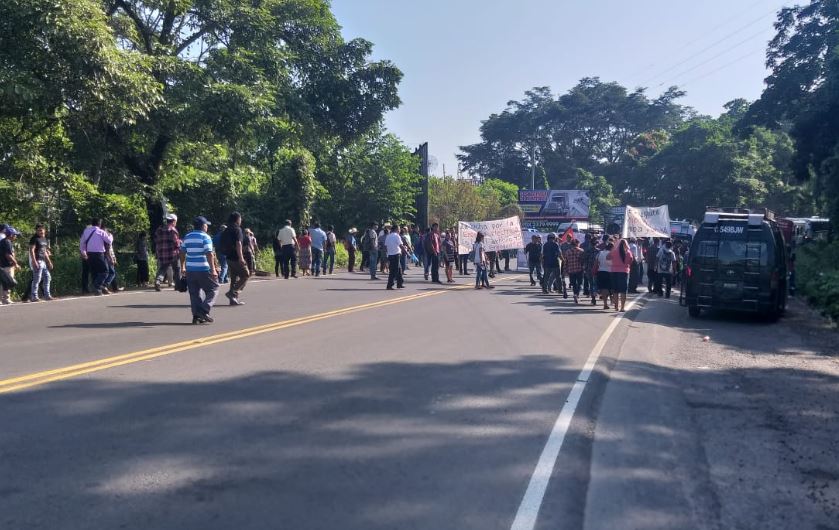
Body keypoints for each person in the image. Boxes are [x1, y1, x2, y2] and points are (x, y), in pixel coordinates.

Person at [180, 216, 220, 324]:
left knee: (194, 293)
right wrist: (213, 270)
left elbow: (182, 252)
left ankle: (196, 316)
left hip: (190, 269)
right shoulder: (205, 237)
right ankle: (203, 310)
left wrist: (182, 266)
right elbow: (209, 253)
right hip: (203, 268)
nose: (207, 227)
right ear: (203, 226)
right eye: (206, 225)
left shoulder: (187, 237)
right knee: (214, 289)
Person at [220, 212, 248, 306]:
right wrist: (241, 258)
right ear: (237, 219)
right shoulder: (237, 229)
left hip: (228, 257)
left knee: (234, 278)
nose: (241, 221)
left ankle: (233, 300)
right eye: (240, 219)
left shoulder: (226, 230)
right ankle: (232, 293)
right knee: (245, 274)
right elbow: (238, 243)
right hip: (236, 257)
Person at [80, 218, 114, 296]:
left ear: (92, 224)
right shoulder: (101, 232)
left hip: (89, 254)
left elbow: (82, 243)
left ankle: (97, 290)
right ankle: (97, 285)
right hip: (99, 254)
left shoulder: (86, 231)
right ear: (99, 224)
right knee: (105, 271)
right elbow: (109, 241)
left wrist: (83, 252)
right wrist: (111, 236)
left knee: (94, 272)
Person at [154, 214, 181, 291]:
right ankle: (178, 285)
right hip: (173, 253)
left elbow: (155, 240)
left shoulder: (159, 229)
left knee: (163, 268)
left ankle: (158, 281)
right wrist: (180, 242)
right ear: (173, 221)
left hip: (162, 253)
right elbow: (176, 243)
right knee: (177, 269)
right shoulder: (173, 230)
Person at [29, 224, 54, 302]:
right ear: (36, 231)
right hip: (38, 261)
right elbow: (31, 250)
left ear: (44, 230)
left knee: (47, 277)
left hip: (43, 262)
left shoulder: (44, 239)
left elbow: (45, 252)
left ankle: (47, 295)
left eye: (42, 230)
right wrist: (34, 261)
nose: (41, 231)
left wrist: (49, 262)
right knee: (37, 279)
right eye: (39, 230)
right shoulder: (34, 239)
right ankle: (34, 297)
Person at [610, 239, 634, 312]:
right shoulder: (628, 252)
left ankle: (616, 306)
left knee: (615, 290)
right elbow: (631, 261)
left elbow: (609, 258)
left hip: (614, 271)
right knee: (623, 290)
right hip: (624, 272)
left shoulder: (614, 252)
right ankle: (622, 307)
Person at [1, 227, 20, 305]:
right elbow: (8, 255)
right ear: (11, 235)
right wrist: (16, 264)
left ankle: (3, 299)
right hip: (7, 265)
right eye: (15, 234)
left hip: (2, 265)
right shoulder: (7, 242)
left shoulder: (2, 241)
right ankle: (6, 299)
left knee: (3, 283)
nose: (16, 236)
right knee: (8, 282)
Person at [563, 239, 585, 304]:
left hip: (571, 270)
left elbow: (565, 262)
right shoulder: (581, 251)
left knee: (574, 284)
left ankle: (575, 293)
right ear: (577, 244)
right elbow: (583, 261)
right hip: (579, 269)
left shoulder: (567, 252)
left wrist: (565, 270)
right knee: (580, 283)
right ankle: (577, 294)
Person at [385, 223, 405, 290]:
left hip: (390, 255)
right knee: (394, 270)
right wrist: (407, 252)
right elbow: (401, 245)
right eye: (399, 229)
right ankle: (390, 285)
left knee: (399, 269)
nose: (400, 230)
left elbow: (385, 246)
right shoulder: (397, 236)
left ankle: (400, 283)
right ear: (396, 229)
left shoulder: (388, 236)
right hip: (396, 254)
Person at [595, 241, 614, 310]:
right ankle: (612, 300)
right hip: (610, 272)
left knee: (603, 289)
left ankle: (605, 304)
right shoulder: (612, 254)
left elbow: (596, 262)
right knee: (611, 288)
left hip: (601, 271)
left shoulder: (600, 253)